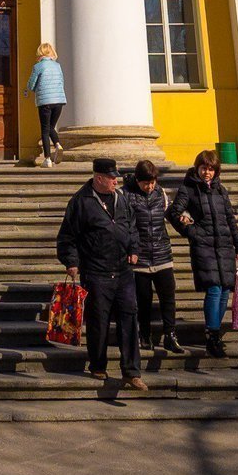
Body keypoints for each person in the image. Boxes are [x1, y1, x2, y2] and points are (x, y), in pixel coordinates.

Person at [54, 156, 146, 389]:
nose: (116, 181)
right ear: (99, 178)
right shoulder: (81, 201)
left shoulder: (122, 199)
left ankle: (131, 371)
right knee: (98, 321)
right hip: (96, 271)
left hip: (123, 270)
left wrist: (134, 248)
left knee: (129, 318)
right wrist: (71, 261)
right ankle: (98, 365)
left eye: (116, 177)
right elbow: (67, 236)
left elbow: (132, 227)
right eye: (112, 177)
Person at [169, 148, 238, 357]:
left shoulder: (221, 190)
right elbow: (174, 212)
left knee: (223, 291)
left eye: (211, 169)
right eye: (204, 168)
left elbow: (230, 219)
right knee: (213, 289)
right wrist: (192, 232)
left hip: (224, 246)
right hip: (203, 246)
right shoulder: (189, 188)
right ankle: (212, 335)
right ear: (197, 168)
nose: (207, 173)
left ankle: (214, 333)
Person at [126, 158, 181, 354]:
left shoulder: (161, 194)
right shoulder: (127, 196)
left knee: (168, 297)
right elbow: (126, 227)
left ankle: (170, 334)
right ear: (137, 180)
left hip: (162, 254)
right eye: (145, 183)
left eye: (152, 182)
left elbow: (171, 214)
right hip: (140, 258)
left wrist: (184, 218)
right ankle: (145, 334)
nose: (149, 187)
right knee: (143, 299)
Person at [26, 42, 66, 166]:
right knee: (51, 127)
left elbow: (31, 85)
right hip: (59, 101)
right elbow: (62, 82)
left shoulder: (38, 66)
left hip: (45, 102)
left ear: (40, 53)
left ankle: (47, 159)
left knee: (45, 129)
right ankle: (58, 144)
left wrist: (28, 89)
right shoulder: (57, 66)